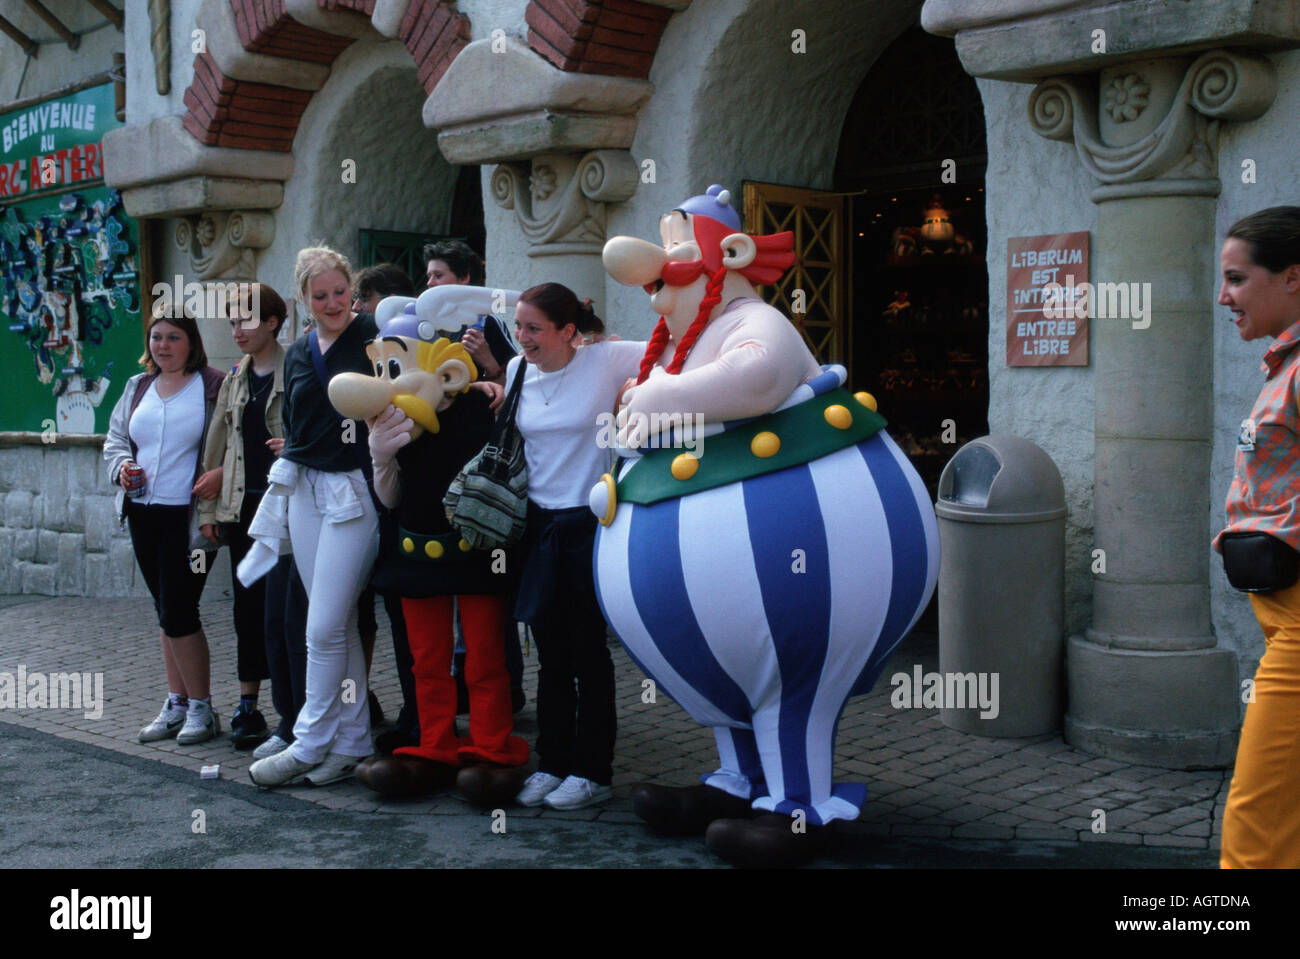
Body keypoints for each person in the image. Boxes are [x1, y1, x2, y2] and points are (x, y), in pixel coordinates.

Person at [507, 283, 646, 809]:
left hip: (589, 523)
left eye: (534, 328)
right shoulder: (519, 370)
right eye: (518, 326)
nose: (522, 337)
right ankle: (553, 763)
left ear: (569, 331)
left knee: (588, 653)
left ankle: (593, 772)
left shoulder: (605, 359)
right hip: (536, 528)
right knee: (550, 654)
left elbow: (672, 342)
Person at [247, 247, 380, 787]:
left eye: (339, 292)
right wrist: (295, 448)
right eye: (320, 296)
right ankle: (352, 741)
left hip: (357, 489)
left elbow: (417, 387)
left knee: (321, 625)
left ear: (352, 288)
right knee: (337, 623)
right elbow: (301, 417)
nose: (332, 303)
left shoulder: (375, 332)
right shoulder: (299, 351)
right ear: (303, 299)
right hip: (304, 486)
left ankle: (308, 741)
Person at [1214, 206, 1300, 868]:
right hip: (1278, 611)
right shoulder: (1283, 364)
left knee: (1257, 816)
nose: (1224, 297)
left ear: (1292, 276)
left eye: (1238, 279)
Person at [104, 310, 226, 745]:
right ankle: (177, 703)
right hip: (143, 514)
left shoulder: (215, 386)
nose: (163, 346)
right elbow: (115, 439)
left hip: (192, 524)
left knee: (179, 609)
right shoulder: (137, 387)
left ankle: (202, 708)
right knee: (166, 609)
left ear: (191, 343)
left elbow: (238, 445)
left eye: (173, 338)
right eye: (156, 337)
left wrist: (224, 475)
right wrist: (122, 467)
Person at [194, 283, 291, 750]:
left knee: (291, 608)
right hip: (243, 509)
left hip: (288, 509)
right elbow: (217, 446)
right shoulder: (236, 377)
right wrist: (210, 510)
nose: (237, 330)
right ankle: (249, 705)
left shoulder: (300, 369)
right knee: (248, 608)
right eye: (232, 321)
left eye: (246, 320)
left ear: (273, 321)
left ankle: (298, 705)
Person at [423, 240, 515, 385]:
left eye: (438, 275)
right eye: (429, 276)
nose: (430, 283)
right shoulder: (424, 322)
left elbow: (514, 385)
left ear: (464, 278)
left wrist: (488, 361)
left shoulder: (487, 322)